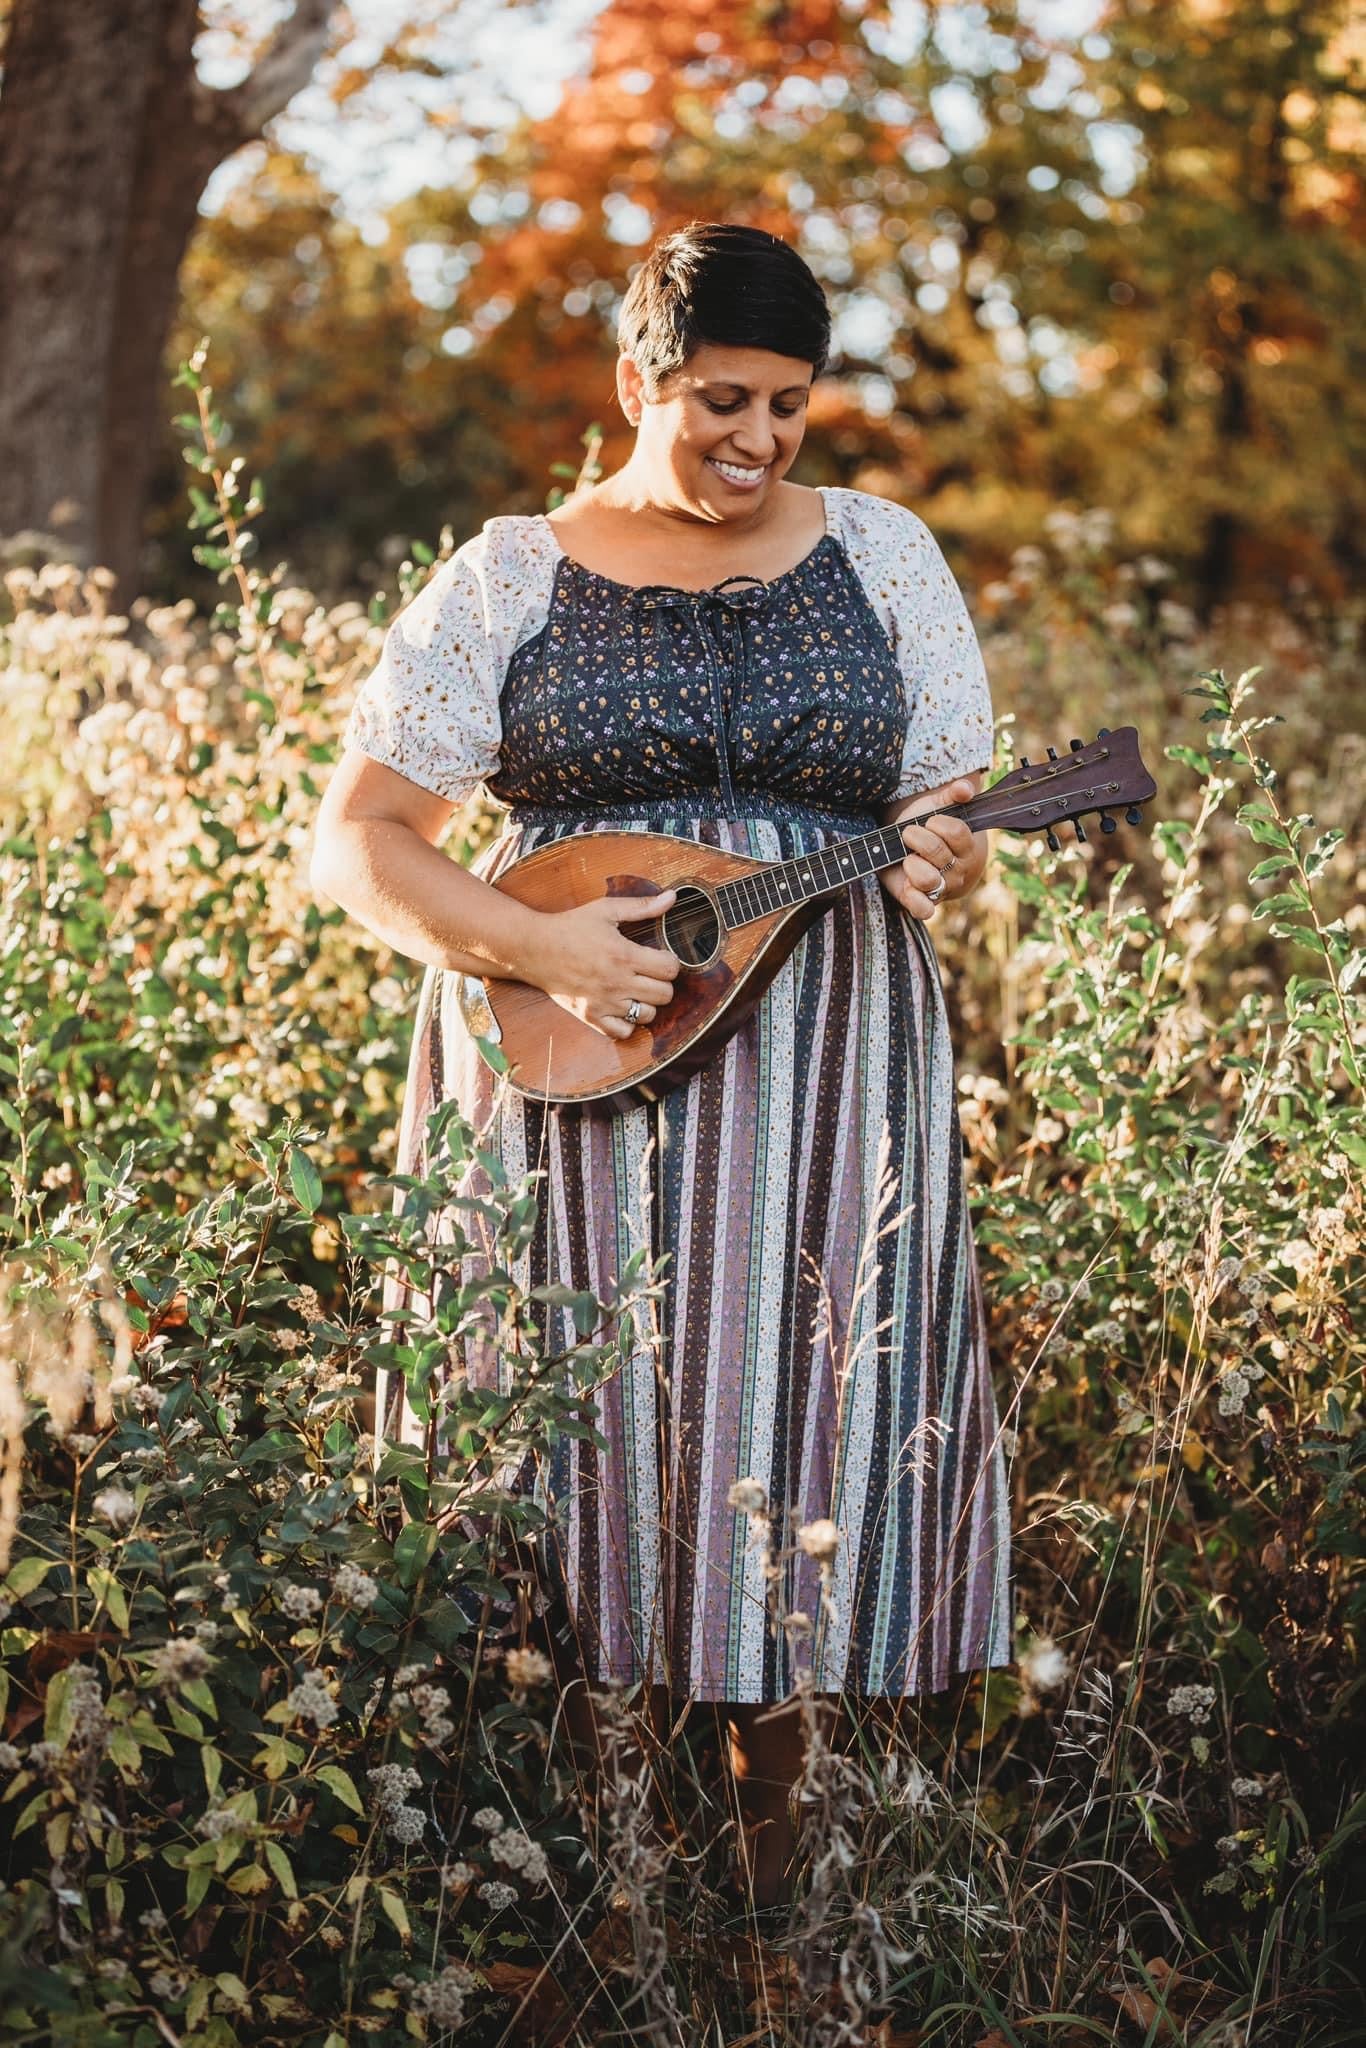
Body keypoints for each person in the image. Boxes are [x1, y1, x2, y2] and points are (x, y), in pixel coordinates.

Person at [310, 220, 1013, 1912]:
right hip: (567, 1053)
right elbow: (359, 844)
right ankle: (584, 1884)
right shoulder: (508, 572)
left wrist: (947, 856)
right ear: (635, 380)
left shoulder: (884, 555)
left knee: (805, 1420)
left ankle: (776, 1902)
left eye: (786, 405)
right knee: (587, 1419)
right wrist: (540, 944)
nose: (756, 441)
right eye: (716, 401)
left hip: (829, 1061)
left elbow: (947, 813)